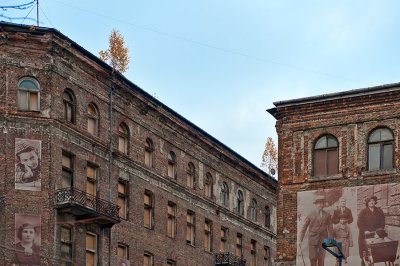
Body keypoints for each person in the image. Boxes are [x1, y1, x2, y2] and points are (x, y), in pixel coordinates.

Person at [299, 195, 332, 266]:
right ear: (316, 204)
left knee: (321, 257)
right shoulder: (310, 214)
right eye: (319, 203)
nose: (320, 205)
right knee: (312, 257)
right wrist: (300, 239)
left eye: (322, 203)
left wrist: (331, 239)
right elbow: (304, 227)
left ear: (323, 204)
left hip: (323, 238)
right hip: (313, 238)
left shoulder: (327, 215)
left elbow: (330, 227)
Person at [357, 195, 385, 266]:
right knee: (364, 252)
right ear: (367, 203)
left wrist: (379, 232)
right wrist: (365, 230)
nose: (372, 202)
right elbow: (359, 222)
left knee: (375, 252)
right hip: (365, 234)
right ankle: (364, 262)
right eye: (370, 201)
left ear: (375, 202)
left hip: (376, 234)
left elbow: (382, 222)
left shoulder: (379, 210)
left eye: (373, 201)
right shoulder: (363, 211)